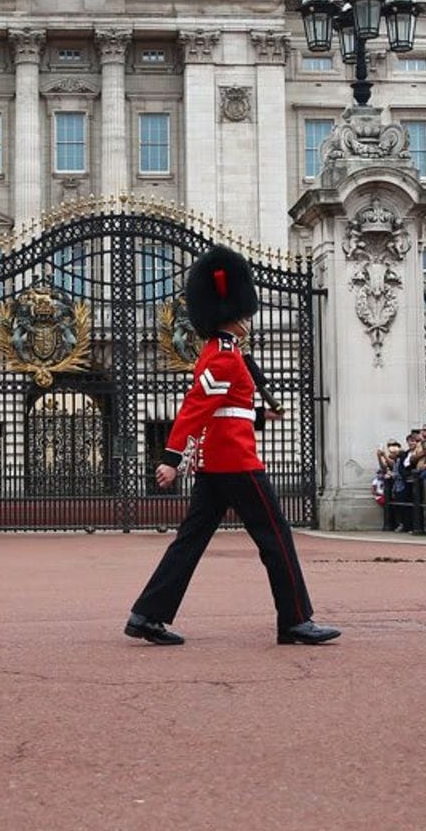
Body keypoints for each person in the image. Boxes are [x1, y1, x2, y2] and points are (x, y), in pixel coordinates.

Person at [123, 246, 340, 648]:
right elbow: (197, 408)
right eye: (243, 313)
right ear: (231, 314)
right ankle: (295, 619)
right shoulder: (225, 358)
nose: (248, 320)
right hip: (236, 464)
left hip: (218, 463)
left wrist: (261, 416)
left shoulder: (222, 354)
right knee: (276, 536)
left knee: (190, 541)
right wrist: (171, 459)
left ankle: (147, 615)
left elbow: (226, 410)